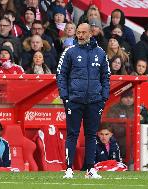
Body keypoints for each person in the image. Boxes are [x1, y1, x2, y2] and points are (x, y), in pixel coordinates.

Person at [57, 23, 110, 179]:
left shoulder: (100, 53)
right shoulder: (69, 52)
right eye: (78, 32)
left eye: (83, 32)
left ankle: (90, 169)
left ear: (90, 34)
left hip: (95, 101)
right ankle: (68, 169)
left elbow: (106, 76)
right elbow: (61, 74)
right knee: (72, 134)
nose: (79, 35)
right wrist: (65, 96)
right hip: (74, 100)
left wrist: (104, 97)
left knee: (91, 135)